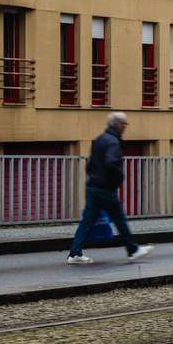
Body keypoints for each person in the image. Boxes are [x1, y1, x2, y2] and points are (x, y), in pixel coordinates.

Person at [67, 112, 153, 264]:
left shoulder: (100, 139)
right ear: (119, 125)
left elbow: (90, 164)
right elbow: (111, 163)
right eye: (125, 124)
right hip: (105, 188)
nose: (126, 127)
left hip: (93, 185)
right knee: (119, 218)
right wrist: (119, 179)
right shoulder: (113, 142)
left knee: (88, 220)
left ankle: (75, 253)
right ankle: (132, 250)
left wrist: (94, 176)